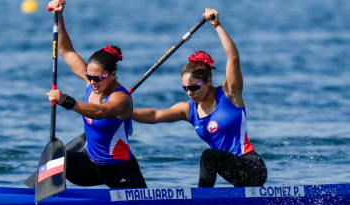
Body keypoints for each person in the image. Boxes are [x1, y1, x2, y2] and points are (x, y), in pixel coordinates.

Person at [132, 8, 267, 187]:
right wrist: (121, 111)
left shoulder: (229, 94)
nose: (189, 93)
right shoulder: (188, 109)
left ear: (208, 81)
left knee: (208, 155)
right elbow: (154, 115)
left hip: (252, 167)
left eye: (194, 87)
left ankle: (202, 204)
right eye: (185, 88)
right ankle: (206, 203)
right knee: (211, 156)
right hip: (231, 169)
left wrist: (216, 25)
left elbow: (233, 58)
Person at [46, 0, 147, 188]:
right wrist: (59, 16)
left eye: (99, 78)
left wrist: (66, 101)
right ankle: (53, 202)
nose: (93, 82)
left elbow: (99, 112)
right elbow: (65, 50)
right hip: (90, 167)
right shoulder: (91, 83)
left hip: (120, 170)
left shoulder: (121, 98)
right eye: (89, 76)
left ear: (113, 75)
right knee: (57, 158)